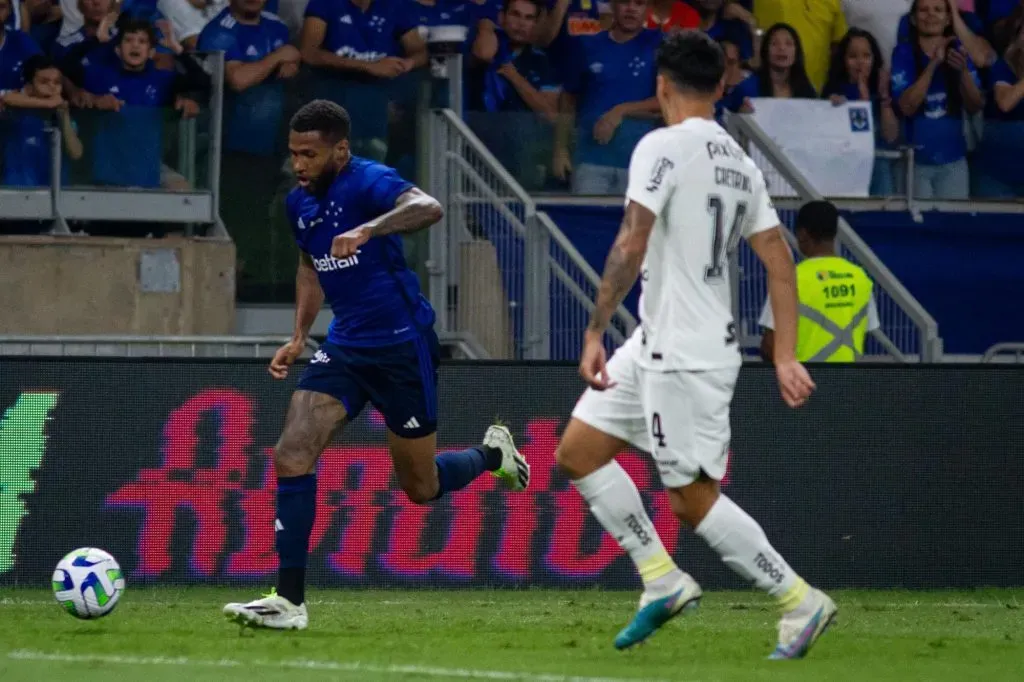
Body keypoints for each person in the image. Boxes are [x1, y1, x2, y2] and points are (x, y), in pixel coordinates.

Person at [554, 29, 835, 658]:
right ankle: (661, 578)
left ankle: (798, 599)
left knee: (691, 499)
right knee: (579, 450)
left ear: (660, 85)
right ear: (721, 86)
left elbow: (632, 239)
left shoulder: (660, 144)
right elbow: (780, 261)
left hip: (686, 352)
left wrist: (597, 327)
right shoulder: (740, 162)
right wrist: (785, 352)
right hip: (662, 340)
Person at [222, 100, 530, 631]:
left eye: (310, 154)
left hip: (401, 346)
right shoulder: (299, 204)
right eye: (293, 153)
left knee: (421, 487)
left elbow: (429, 206)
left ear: (340, 150)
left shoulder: (369, 181)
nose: (298, 164)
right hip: (345, 347)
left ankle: (490, 454)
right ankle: (288, 601)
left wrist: (370, 229)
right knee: (292, 451)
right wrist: (298, 336)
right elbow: (309, 268)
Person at [553, 0, 661, 195]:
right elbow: (568, 99)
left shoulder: (660, 46)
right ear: (613, 6)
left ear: (648, 10)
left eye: (639, 3)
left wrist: (620, 111)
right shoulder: (586, 45)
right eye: (625, 3)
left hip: (639, 165)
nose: (631, 8)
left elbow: (668, 101)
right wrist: (560, 150)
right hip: (590, 160)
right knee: (586, 223)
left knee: (634, 226)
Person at [759, 201, 880, 363]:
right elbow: (866, 330)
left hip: (803, 384)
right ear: (834, 232)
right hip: (849, 382)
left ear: (802, 234)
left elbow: (770, 344)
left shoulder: (791, 278)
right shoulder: (860, 277)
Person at [891, 0, 984, 199]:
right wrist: (934, 64)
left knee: (954, 228)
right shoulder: (903, 53)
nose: (931, 14)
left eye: (937, 10)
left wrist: (964, 72)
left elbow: (975, 106)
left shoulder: (960, 51)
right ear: (914, 19)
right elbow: (906, 107)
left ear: (948, 18)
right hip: (914, 163)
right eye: (923, 10)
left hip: (953, 162)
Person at [822, 28, 901, 195]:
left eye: (866, 56)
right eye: (853, 56)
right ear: (843, 60)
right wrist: (834, 111)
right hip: (844, 172)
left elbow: (891, 136)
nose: (860, 62)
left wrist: (884, 98)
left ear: (874, 59)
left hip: (879, 172)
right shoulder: (834, 94)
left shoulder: (882, 91)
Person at [722, 22, 817, 112]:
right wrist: (739, 116)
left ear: (797, 53)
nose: (782, 48)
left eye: (788, 44)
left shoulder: (807, 89)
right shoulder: (747, 87)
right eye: (774, 43)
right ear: (765, 51)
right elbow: (721, 115)